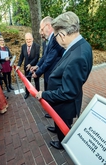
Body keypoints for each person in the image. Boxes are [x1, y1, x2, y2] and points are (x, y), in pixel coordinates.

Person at [35, 11, 93, 150]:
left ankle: (63, 143)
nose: (56, 39)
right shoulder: (80, 46)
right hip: (62, 102)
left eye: (55, 36)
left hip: (65, 104)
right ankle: (59, 132)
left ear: (62, 34)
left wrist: (44, 94)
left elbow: (68, 92)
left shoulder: (77, 55)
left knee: (64, 127)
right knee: (59, 123)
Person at [30, 16, 65, 119]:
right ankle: (53, 115)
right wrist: (37, 66)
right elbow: (45, 56)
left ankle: (56, 117)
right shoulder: (49, 40)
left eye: (41, 29)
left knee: (55, 98)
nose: (41, 32)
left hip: (54, 76)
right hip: (49, 74)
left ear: (48, 26)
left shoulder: (55, 39)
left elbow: (49, 60)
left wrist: (38, 73)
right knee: (50, 96)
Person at [16, 33, 40, 99]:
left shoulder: (37, 46)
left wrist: (31, 64)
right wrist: (18, 65)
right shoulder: (23, 46)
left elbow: (37, 57)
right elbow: (21, 57)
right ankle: (27, 93)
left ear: (32, 39)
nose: (28, 41)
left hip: (34, 66)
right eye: (27, 39)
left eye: (29, 39)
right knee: (27, 81)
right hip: (26, 67)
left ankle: (37, 93)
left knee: (36, 81)